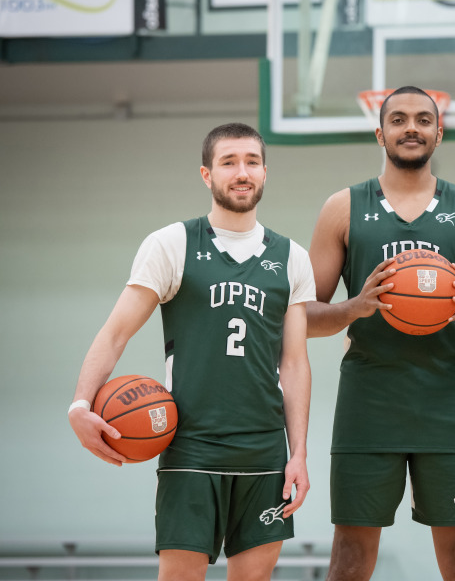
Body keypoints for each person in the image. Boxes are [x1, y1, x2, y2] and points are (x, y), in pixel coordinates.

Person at [68, 122, 316, 581]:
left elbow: (295, 362)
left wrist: (298, 452)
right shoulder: (172, 244)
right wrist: (81, 403)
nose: (242, 172)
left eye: (252, 162)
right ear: (207, 175)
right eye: (229, 162)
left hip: (264, 452)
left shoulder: (293, 257)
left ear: (265, 172)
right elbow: (115, 332)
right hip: (191, 448)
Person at [306, 86, 455, 581]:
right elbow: (303, 317)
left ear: (439, 132)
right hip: (369, 400)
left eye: (424, 120)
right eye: (399, 119)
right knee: (352, 552)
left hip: (447, 401)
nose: (412, 128)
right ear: (379, 132)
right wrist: (354, 307)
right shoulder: (343, 208)